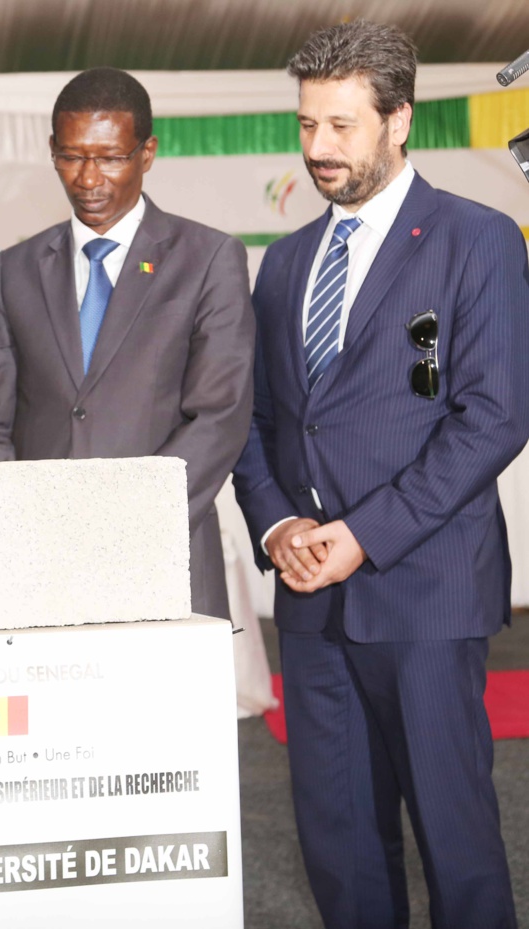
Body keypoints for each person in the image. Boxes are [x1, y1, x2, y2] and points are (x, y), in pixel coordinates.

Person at [233, 21, 528, 929]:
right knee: (340, 845)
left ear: (398, 121)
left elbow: (494, 418)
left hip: (426, 594)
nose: (317, 148)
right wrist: (280, 527)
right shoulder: (283, 266)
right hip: (311, 601)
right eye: (306, 125)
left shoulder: (477, 241)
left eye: (341, 126)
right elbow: (258, 422)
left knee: (455, 837)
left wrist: (360, 537)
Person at [0, 67, 255, 620]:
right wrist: (21, 516)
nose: (89, 178)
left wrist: (123, 522)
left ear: (147, 153)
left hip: (162, 556)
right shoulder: (13, 271)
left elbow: (220, 415)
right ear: (51, 151)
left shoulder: (209, 258)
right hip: (36, 566)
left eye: (111, 158)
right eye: (72, 156)